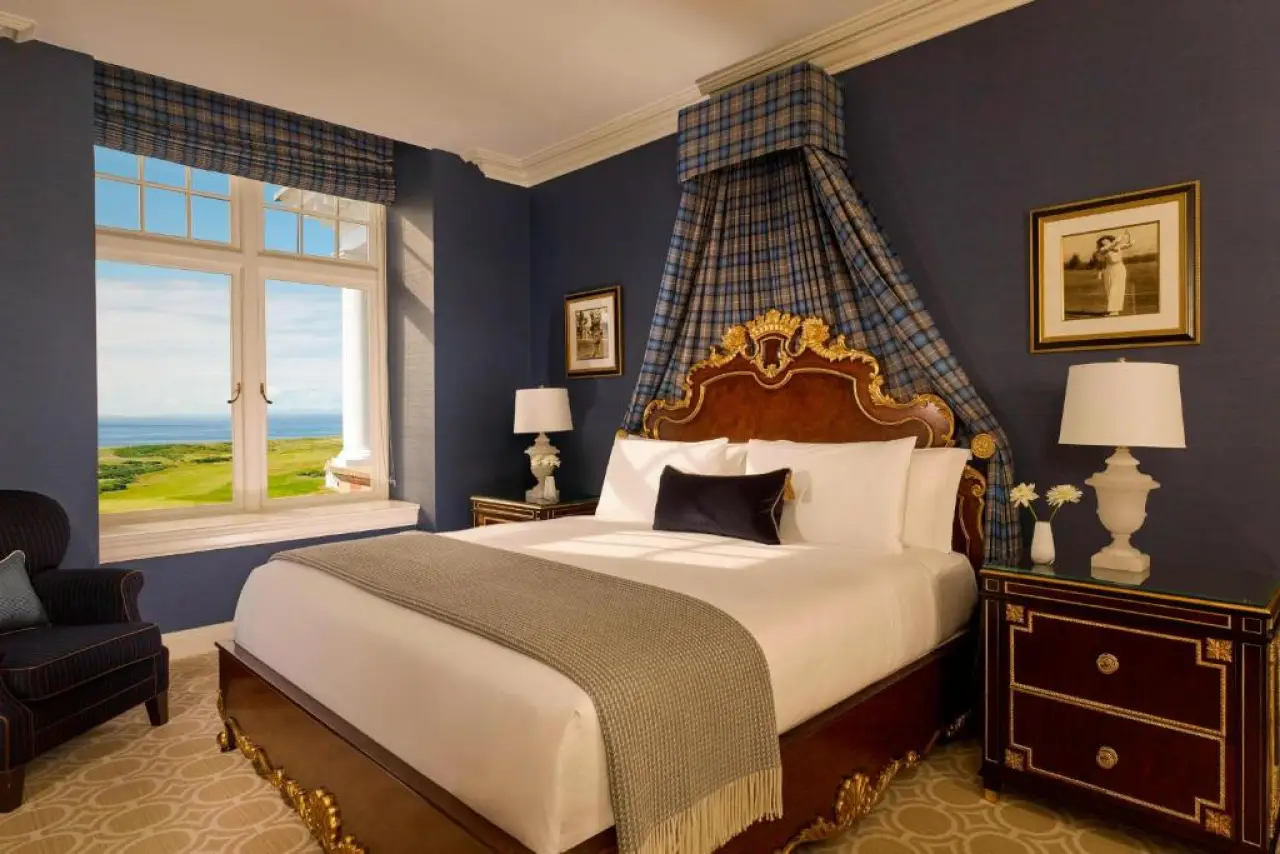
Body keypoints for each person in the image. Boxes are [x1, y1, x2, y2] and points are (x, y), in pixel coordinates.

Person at [1092, 231, 1133, 316]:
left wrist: (1129, 238)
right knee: (1110, 290)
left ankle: (1115, 311)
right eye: (1102, 240)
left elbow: (1128, 245)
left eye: (1105, 239)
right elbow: (1114, 244)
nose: (1103, 241)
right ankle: (1113, 310)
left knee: (1118, 289)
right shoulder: (1103, 249)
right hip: (1110, 270)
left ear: (1109, 240)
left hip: (1120, 269)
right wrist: (1121, 237)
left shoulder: (1118, 246)